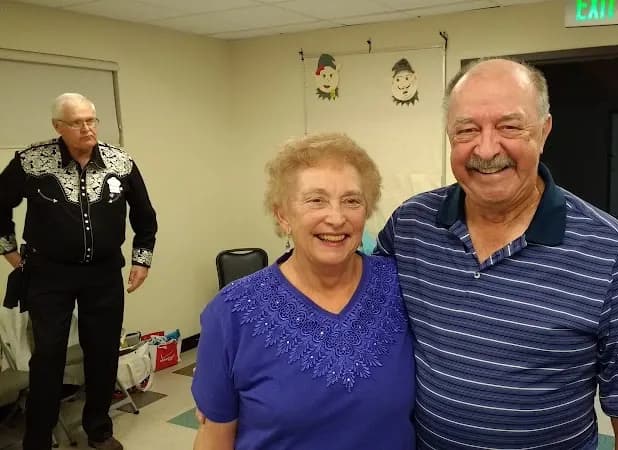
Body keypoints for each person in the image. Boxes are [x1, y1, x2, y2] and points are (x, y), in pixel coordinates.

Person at [375, 58, 618, 449]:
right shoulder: (411, 226)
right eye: (467, 130)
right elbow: (352, 306)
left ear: (544, 130)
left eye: (509, 126)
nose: (486, 148)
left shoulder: (610, 251)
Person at [191, 133, 415, 450]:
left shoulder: (401, 287)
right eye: (316, 200)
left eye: (352, 200)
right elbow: (215, 439)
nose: (336, 218)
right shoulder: (231, 313)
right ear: (283, 215)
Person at [0, 93, 157, 450]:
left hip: (103, 275)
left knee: (102, 352)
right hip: (47, 275)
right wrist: (9, 251)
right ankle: (37, 438)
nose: (87, 128)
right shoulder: (30, 162)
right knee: (48, 356)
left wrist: (141, 260)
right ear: (58, 126)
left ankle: (99, 431)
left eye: (92, 120)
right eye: (77, 122)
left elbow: (145, 217)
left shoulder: (121, 161)